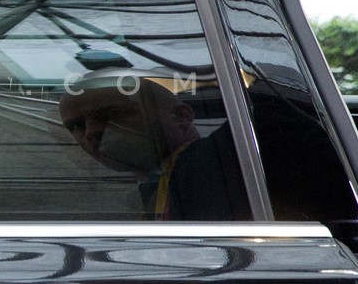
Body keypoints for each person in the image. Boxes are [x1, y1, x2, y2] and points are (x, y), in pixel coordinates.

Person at [58, 73, 248, 220]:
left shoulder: (224, 159)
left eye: (110, 114)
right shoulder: (150, 189)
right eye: (76, 126)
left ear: (181, 117)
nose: (91, 132)